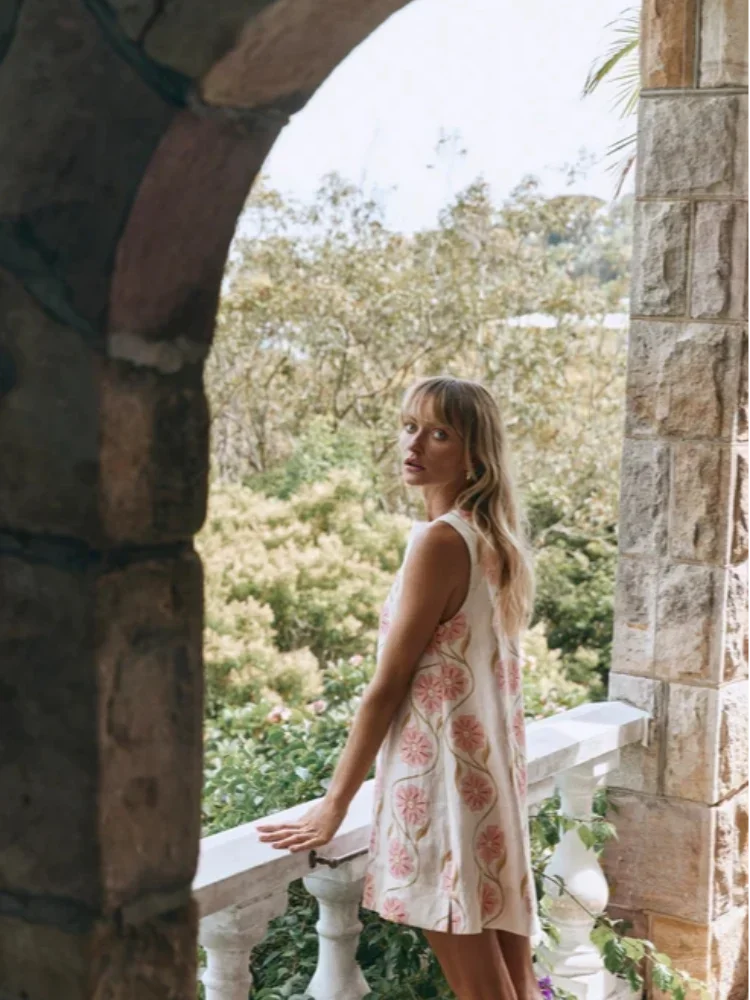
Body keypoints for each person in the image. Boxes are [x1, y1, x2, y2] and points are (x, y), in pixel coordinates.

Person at [257, 376, 543, 1000]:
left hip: (442, 787)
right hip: (488, 784)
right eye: (409, 426)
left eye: (439, 433)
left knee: (488, 993)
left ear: (474, 455)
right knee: (519, 986)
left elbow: (386, 688)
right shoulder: (493, 540)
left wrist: (333, 804)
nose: (414, 444)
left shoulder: (441, 541)